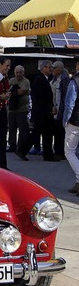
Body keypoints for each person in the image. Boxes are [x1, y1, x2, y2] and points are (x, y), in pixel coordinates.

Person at [30, 60, 57, 161]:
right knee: (40, 133)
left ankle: (48, 154)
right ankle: (22, 149)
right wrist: (50, 107)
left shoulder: (46, 79)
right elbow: (40, 97)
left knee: (46, 134)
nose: (51, 69)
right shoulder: (39, 80)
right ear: (43, 68)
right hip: (42, 111)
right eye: (49, 67)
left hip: (45, 111)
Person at [62, 60, 79, 194]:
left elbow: (70, 104)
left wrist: (65, 121)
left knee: (69, 151)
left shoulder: (75, 81)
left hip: (75, 121)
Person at [8, 65, 31, 161]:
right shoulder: (11, 80)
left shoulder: (26, 81)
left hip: (22, 109)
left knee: (22, 129)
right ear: (14, 73)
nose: (18, 74)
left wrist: (13, 90)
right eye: (17, 72)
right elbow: (8, 91)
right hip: (12, 109)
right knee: (11, 128)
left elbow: (22, 92)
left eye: (20, 72)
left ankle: (20, 146)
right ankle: (12, 145)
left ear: (23, 73)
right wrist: (14, 90)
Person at [51, 61, 70, 160]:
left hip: (61, 110)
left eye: (54, 68)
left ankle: (60, 152)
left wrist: (61, 110)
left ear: (60, 69)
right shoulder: (54, 79)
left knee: (60, 132)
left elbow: (64, 97)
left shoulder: (64, 80)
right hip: (54, 108)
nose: (52, 70)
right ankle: (57, 150)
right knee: (56, 132)